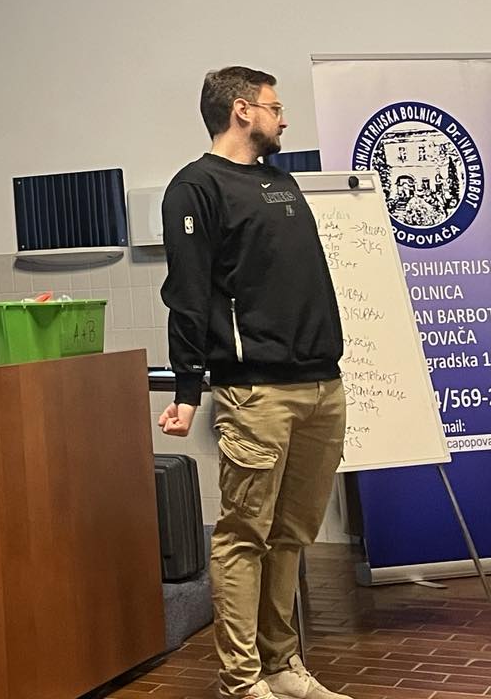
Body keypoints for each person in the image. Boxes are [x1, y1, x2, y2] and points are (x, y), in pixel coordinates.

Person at [159, 67, 349, 699]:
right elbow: (187, 295)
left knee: (291, 537)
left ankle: (282, 666)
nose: (283, 117)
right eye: (274, 106)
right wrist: (188, 390)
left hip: (321, 384)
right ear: (242, 110)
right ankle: (241, 682)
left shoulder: (280, 180)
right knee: (244, 538)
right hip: (256, 390)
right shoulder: (196, 187)